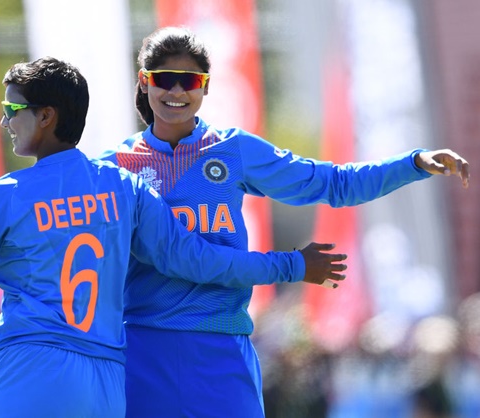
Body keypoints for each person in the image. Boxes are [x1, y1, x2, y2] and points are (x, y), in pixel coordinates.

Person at [0, 57, 348, 418]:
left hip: (31, 371)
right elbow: (199, 261)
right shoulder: (123, 186)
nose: (7, 120)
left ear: (47, 116)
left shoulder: (9, 193)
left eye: (14, 108)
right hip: (105, 386)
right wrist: (290, 266)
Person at [98, 26, 471, 418]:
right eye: (164, 80)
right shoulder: (114, 167)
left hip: (221, 350)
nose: (176, 92)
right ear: (144, 81)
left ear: (206, 87)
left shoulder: (233, 149)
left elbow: (332, 183)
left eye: (189, 80)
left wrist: (411, 164)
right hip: (143, 351)